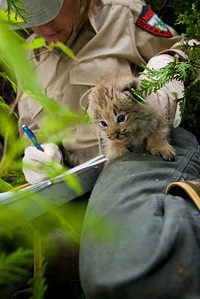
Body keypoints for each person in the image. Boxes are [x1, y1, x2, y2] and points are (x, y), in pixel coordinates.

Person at [2, 0, 200, 298]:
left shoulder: (121, 15)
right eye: (30, 19)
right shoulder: (27, 56)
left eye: (49, 11)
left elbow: (193, 51)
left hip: (137, 151)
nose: (43, 27)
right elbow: (34, 127)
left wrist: (168, 67)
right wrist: (43, 153)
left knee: (124, 264)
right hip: (72, 182)